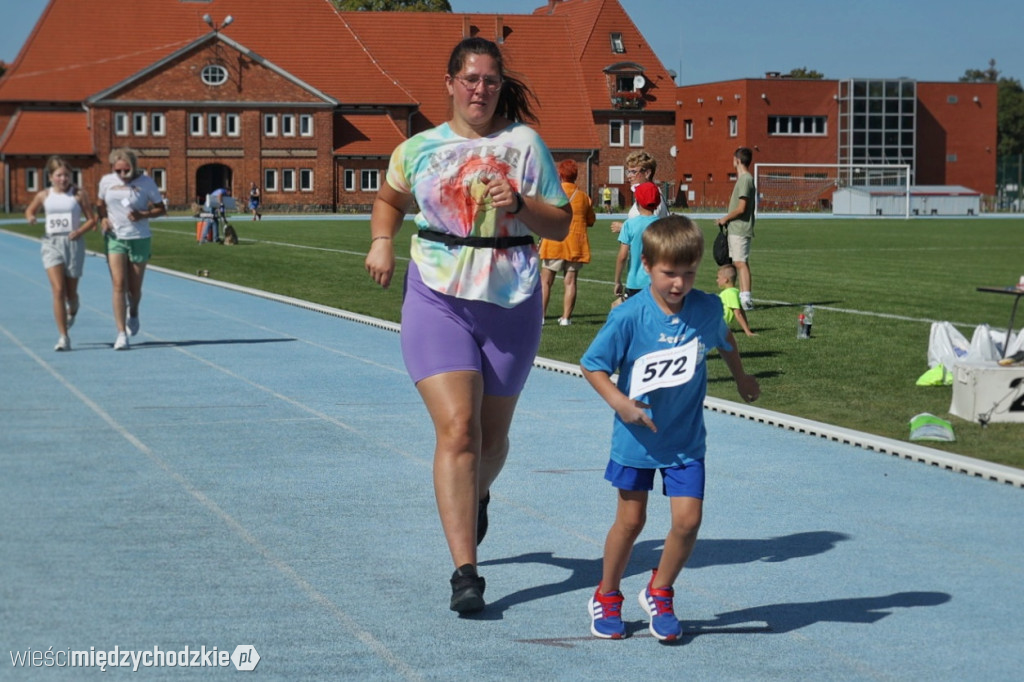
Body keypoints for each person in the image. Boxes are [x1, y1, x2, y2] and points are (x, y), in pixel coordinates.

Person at [364, 36, 571, 615]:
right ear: (450, 82)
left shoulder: (524, 145)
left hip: (510, 295)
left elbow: (559, 223)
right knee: (458, 430)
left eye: (490, 80)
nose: (480, 89)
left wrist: (519, 204)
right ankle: (466, 572)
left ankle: (477, 492)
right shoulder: (419, 148)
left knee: (491, 437)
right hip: (437, 293)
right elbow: (388, 199)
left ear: (499, 86)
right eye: (470, 78)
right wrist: (383, 240)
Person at [580, 215, 760, 641]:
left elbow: (724, 338)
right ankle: (606, 594)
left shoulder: (707, 307)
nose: (679, 283)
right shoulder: (629, 316)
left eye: (689, 273)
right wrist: (621, 404)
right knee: (631, 521)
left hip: (684, 438)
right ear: (647, 266)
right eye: (669, 273)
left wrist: (741, 377)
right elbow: (592, 365)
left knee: (688, 521)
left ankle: (660, 590)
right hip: (636, 438)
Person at [24, 155, 97, 351]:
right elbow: (30, 211)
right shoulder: (44, 195)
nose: (63, 179)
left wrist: (79, 231)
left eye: (66, 175)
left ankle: (73, 307)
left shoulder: (78, 194)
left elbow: (92, 220)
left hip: (73, 243)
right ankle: (63, 337)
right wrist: (31, 218)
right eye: (59, 175)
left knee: (70, 293)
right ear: (50, 177)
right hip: (51, 243)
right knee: (57, 290)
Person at [96, 147, 165, 350]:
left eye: (126, 170)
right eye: (118, 171)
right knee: (118, 284)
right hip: (115, 238)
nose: (122, 175)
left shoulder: (146, 182)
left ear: (133, 167)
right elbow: (100, 203)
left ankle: (133, 311)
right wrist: (103, 218)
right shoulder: (107, 182)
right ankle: (120, 333)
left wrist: (143, 214)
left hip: (139, 237)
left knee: (134, 289)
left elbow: (161, 209)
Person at [540, 159, 596, 325]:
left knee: (546, 281)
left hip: (554, 243)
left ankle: (541, 317)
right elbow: (590, 220)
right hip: (575, 244)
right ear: (576, 176)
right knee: (571, 282)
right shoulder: (584, 197)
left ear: (560, 175)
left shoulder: (552, 193)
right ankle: (566, 318)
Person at [716, 147, 756, 311]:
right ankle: (735, 295)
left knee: (740, 262)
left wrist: (725, 218)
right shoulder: (742, 179)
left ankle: (746, 298)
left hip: (740, 227)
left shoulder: (745, 179)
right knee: (736, 262)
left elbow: (742, 208)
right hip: (735, 228)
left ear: (738, 160)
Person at [613, 182, 661, 301]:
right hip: (658, 282)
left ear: (637, 201)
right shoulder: (663, 225)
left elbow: (622, 256)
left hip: (635, 282)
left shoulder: (629, 224)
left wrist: (617, 281)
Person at [610, 151, 669, 234]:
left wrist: (624, 227)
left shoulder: (654, 196)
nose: (629, 176)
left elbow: (651, 227)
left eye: (633, 172)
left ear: (647, 173)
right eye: (628, 171)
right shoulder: (644, 194)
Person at [716, 263, 755, 337]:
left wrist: (747, 330)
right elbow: (740, 313)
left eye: (718, 278)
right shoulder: (734, 292)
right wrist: (747, 330)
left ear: (725, 280)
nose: (717, 280)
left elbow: (739, 313)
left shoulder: (730, 293)